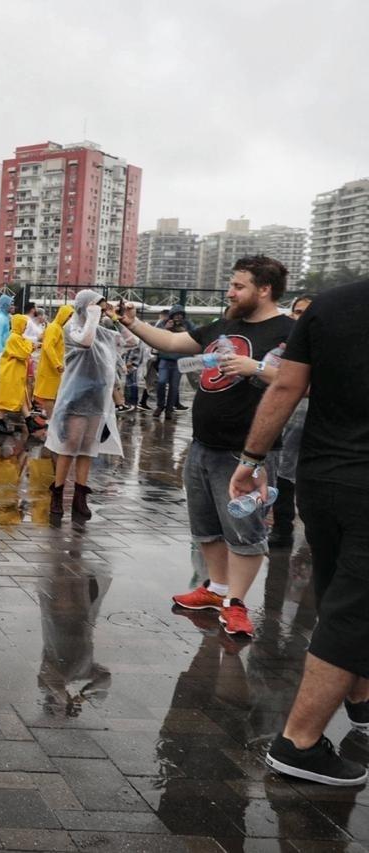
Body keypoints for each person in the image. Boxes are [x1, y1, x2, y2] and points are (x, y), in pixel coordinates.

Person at [227, 278, 369, 787]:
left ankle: (360, 700)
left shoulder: (330, 305)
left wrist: (251, 459)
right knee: (355, 609)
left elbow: (286, 385)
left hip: (323, 478)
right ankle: (300, 743)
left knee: (338, 592)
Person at [121, 255, 295, 638]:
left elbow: (307, 382)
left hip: (248, 452)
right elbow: (171, 341)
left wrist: (258, 369)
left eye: (238, 286)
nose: (230, 292)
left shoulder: (290, 330)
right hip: (202, 445)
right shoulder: (224, 325)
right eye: (231, 285)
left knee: (244, 530)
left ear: (264, 290)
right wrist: (131, 322)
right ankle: (216, 589)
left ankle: (236, 603)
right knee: (207, 526)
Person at [46, 291, 128, 519]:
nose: (99, 310)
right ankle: (58, 492)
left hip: (97, 395)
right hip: (75, 396)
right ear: (83, 307)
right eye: (94, 306)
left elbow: (130, 341)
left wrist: (118, 318)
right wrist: (91, 316)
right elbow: (85, 341)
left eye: (100, 307)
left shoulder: (102, 331)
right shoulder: (71, 328)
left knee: (88, 446)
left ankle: (80, 497)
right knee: (71, 444)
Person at [269, 293, 313, 549]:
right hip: (286, 415)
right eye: (297, 312)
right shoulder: (281, 345)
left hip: (315, 418)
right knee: (283, 471)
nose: (301, 318)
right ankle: (282, 528)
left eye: (307, 313)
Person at [0, 314, 33, 435]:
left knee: (19, 395)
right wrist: (31, 345)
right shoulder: (14, 338)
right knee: (8, 397)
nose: (26, 327)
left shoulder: (18, 337)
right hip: (10, 373)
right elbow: (24, 353)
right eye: (24, 324)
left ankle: (29, 421)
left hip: (14, 372)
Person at [33, 304, 73, 418]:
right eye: (69, 316)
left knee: (52, 395)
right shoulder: (54, 328)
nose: (71, 320)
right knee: (49, 396)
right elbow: (48, 347)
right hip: (50, 368)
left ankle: (50, 418)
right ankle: (50, 420)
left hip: (54, 369)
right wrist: (57, 364)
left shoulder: (58, 328)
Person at [153, 304, 192, 419]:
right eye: (176, 315)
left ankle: (169, 409)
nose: (178, 317)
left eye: (181, 315)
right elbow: (154, 334)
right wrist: (165, 329)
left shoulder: (188, 324)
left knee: (174, 386)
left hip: (179, 360)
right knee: (161, 382)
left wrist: (185, 332)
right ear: (172, 315)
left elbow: (196, 334)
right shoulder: (164, 323)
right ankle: (160, 406)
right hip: (164, 358)